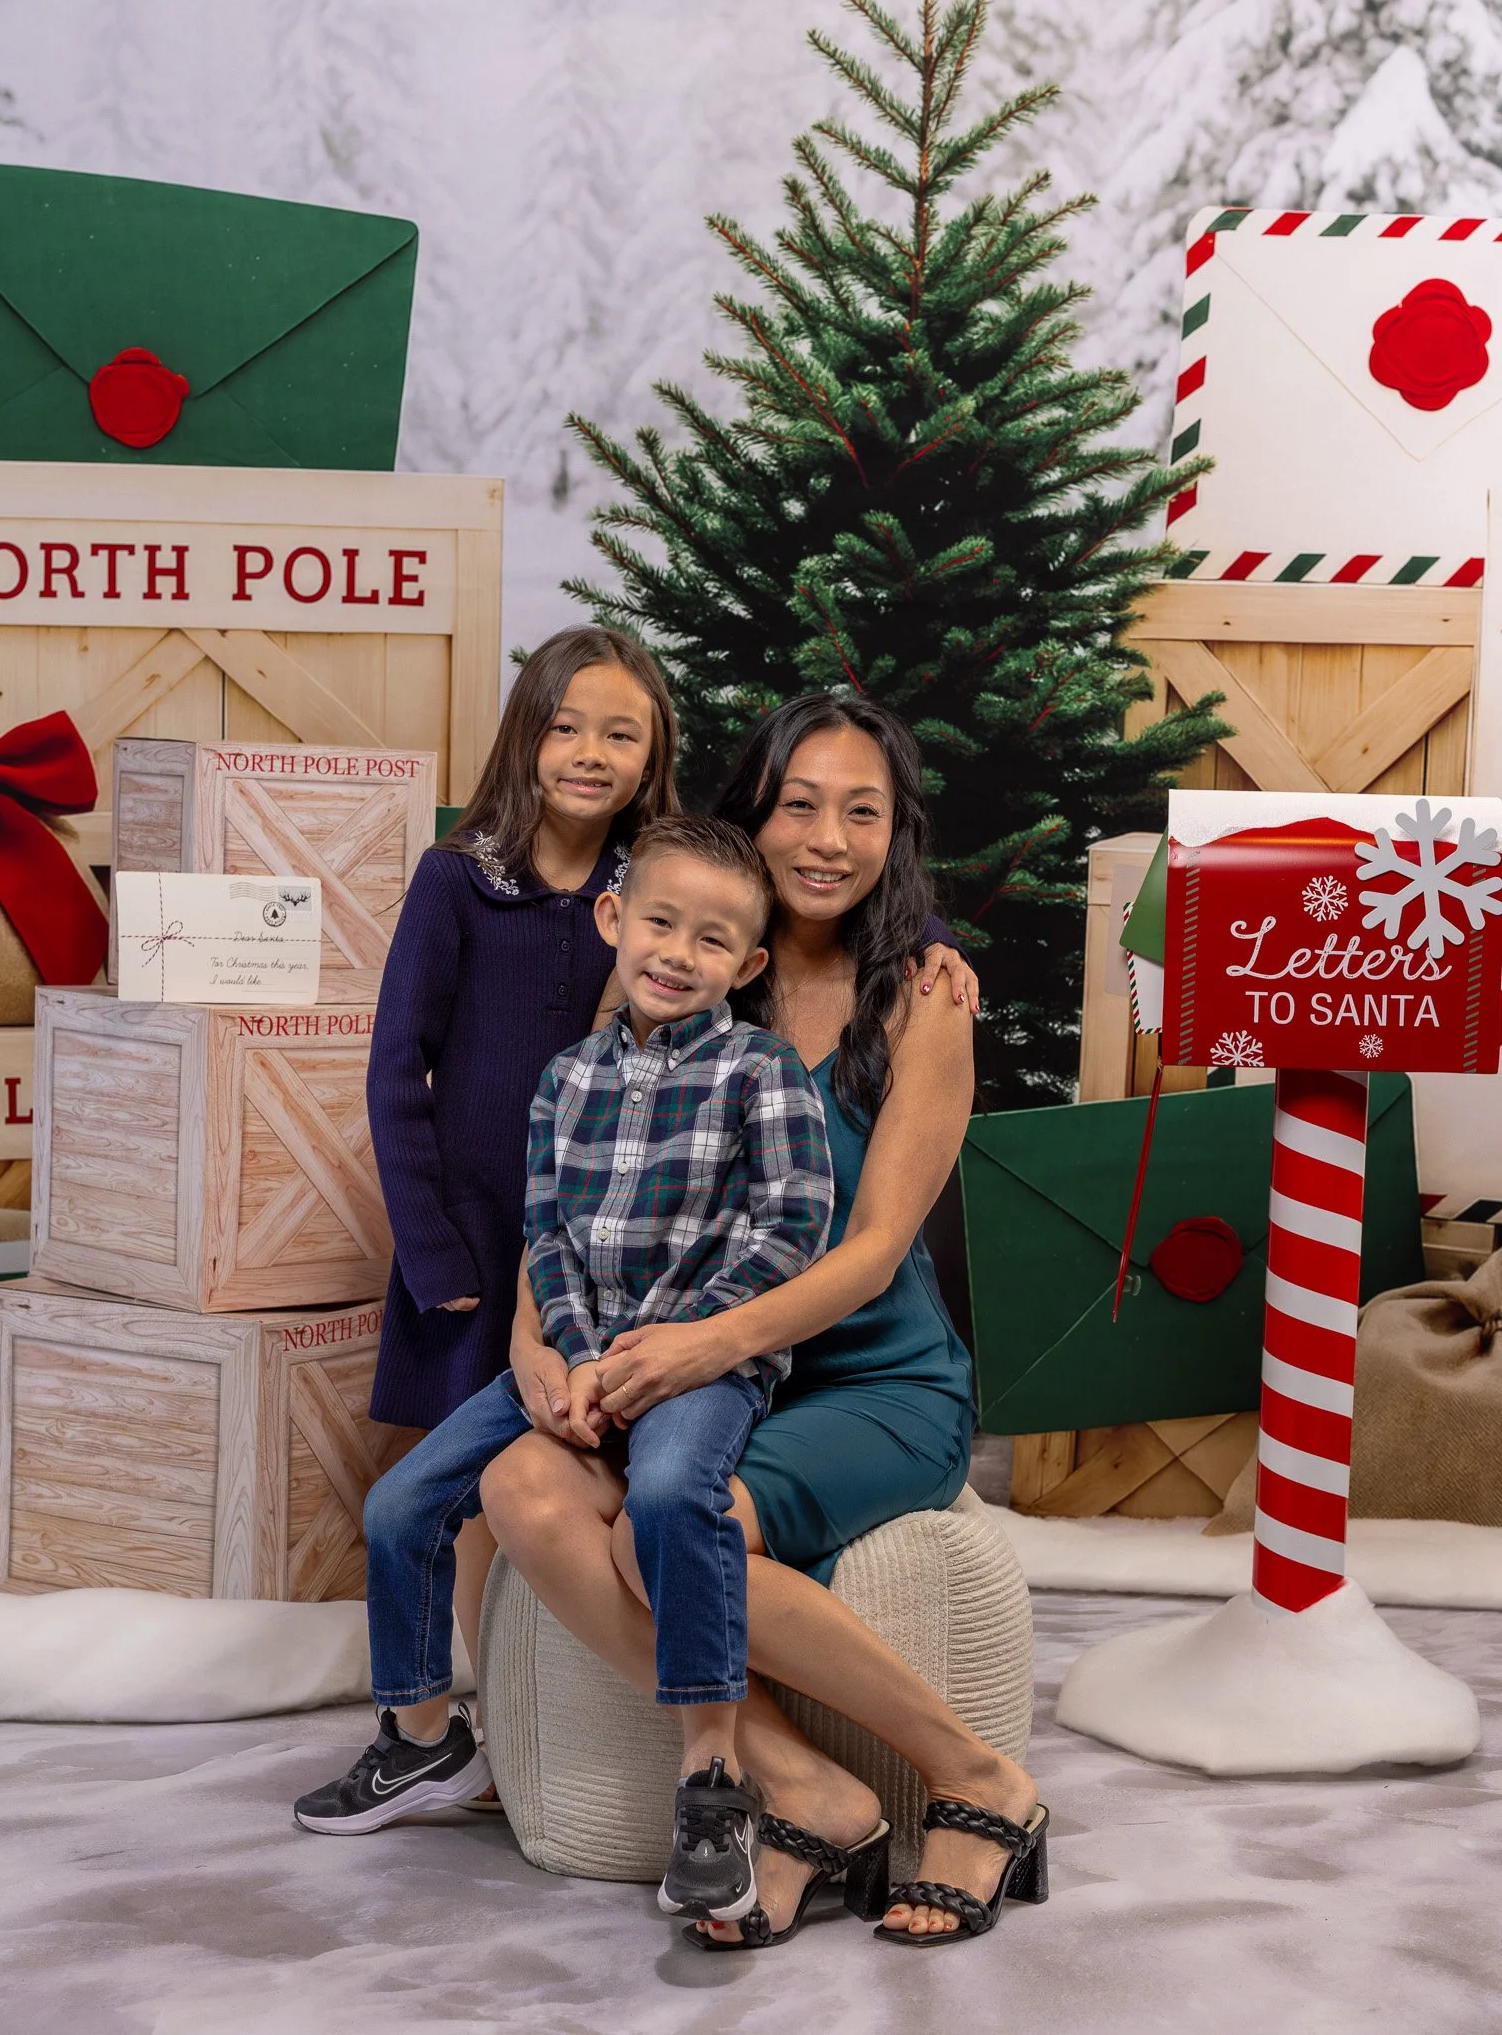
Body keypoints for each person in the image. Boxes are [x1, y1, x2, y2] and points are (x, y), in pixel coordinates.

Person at [483, 692, 1045, 1951]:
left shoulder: (925, 995)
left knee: (670, 1532)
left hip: (868, 1382)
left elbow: (875, 1249)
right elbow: (576, 1180)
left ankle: (978, 1774)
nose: (827, 838)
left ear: (896, 833)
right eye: (799, 804)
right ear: (752, 814)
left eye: (863, 812)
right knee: (521, 1486)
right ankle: (804, 1787)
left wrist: (707, 1342)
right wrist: (532, 1339)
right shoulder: (685, 961)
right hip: (708, 1377)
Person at [295, 815, 864, 1930]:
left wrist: (663, 1348)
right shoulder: (565, 1079)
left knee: (671, 1497)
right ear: (614, 918)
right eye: (659, 922)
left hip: (699, 1365)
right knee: (402, 1503)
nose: (677, 954)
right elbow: (546, 1232)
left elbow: (792, 1227)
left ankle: (713, 1774)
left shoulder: (761, 1070)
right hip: (580, 1358)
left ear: (748, 963)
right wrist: (567, 1351)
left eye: (711, 940)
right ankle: (423, 1737)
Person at [359, 624, 680, 1807]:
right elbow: (396, 1068)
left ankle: (552, 1728)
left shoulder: (655, 887)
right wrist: (430, 1248)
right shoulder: (458, 878)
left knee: (554, 1468)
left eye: (620, 733)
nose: (590, 752)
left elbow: (790, 908)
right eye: (566, 726)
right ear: (526, 736)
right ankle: (465, 1724)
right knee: (460, 1491)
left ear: (652, 756)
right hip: (472, 1230)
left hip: (596, 1244)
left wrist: (935, 938)